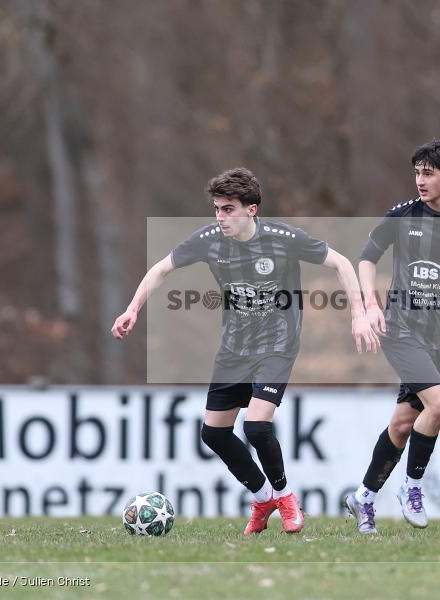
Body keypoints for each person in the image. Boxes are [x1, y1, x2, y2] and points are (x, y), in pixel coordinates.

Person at [111, 167, 378, 535]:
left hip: (277, 345)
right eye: (217, 209)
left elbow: (341, 263)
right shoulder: (209, 240)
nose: (220, 217)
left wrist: (358, 314)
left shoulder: (283, 239)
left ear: (251, 210)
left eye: (228, 209)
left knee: (255, 425)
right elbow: (161, 269)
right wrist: (132, 309)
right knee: (214, 434)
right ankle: (263, 496)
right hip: (235, 348)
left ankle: (285, 497)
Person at [345, 140, 440, 533]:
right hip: (400, 328)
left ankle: (363, 498)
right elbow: (367, 257)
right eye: (417, 173)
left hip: (438, 338)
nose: (420, 181)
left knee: (402, 424)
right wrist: (371, 305)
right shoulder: (402, 216)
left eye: (428, 173)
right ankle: (412, 489)